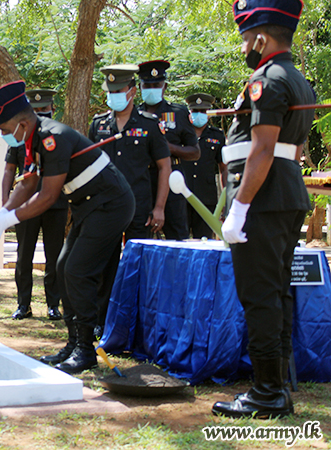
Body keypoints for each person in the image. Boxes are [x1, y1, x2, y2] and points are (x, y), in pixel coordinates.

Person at [0, 81, 135, 374]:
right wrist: (1, 214)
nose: (3, 135)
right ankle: (74, 343)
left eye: (5, 130)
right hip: (89, 206)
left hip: (111, 205)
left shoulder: (53, 137)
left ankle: (86, 350)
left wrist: (8, 220)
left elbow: (48, 196)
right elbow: (29, 183)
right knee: (63, 268)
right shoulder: (32, 138)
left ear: (22, 124)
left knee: (77, 270)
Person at [212, 0, 313, 419]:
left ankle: (266, 392)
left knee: (259, 296)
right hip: (284, 197)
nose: (243, 49)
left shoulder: (267, 78)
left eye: (244, 40)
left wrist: (239, 207)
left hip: (264, 199)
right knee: (275, 293)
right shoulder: (295, 77)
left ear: (259, 37)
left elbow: (263, 148)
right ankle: (277, 388)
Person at [86, 65, 172, 340]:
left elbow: (164, 167)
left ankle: (137, 325)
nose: (113, 96)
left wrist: (159, 207)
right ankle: (102, 322)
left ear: (132, 92)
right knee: (104, 268)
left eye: (119, 91)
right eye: (109, 92)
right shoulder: (99, 125)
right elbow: (88, 166)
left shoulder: (148, 125)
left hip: (140, 208)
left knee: (137, 268)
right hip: (105, 209)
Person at [1, 88, 68, 321]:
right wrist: (4, 204)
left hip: (55, 203)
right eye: (37, 111)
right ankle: (23, 304)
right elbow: (9, 169)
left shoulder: (59, 135)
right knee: (24, 255)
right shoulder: (20, 136)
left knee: (55, 256)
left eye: (45, 110)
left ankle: (53, 304)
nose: (41, 114)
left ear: (53, 109)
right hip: (26, 204)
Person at [137, 60, 200, 240]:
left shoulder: (178, 113)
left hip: (172, 182)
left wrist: (167, 148)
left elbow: (195, 152)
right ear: (140, 87)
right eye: (147, 85)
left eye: (156, 85)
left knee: (178, 238)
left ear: (164, 86)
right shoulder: (135, 115)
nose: (151, 89)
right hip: (144, 182)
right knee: (142, 239)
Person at [180, 93, 227, 239]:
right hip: (181, 197)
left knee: (204, 240)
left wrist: (225, 199)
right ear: (189, 112)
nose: (199, 115)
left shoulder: (217, 136)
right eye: (195, 111)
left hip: (206, 198)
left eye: (203, 111)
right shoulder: (180, 134)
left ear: (209, 114)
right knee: (180, 241)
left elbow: (223, 168)